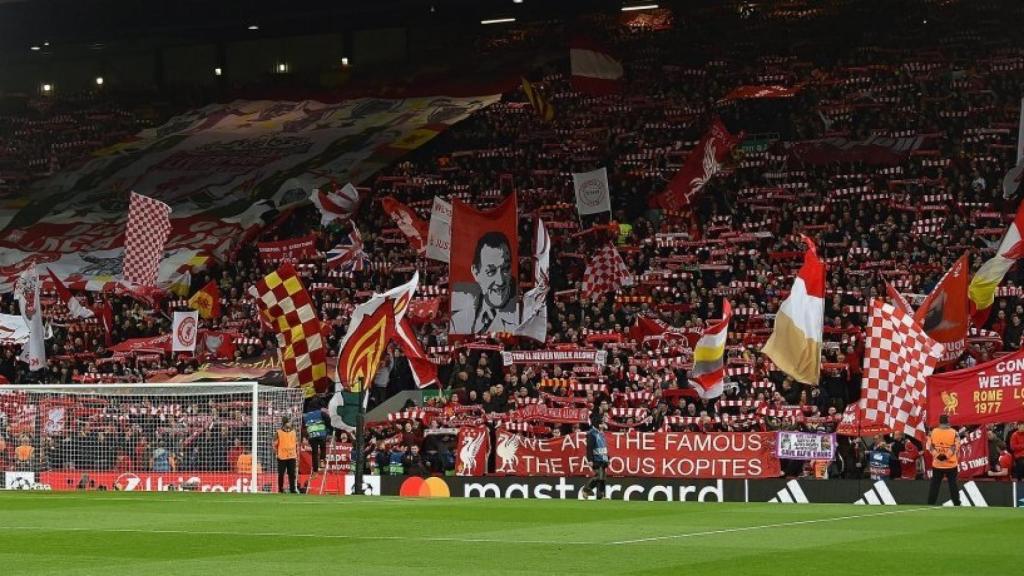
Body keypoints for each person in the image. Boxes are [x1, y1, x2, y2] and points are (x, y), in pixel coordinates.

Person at [449, 232, 518, 334]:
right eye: (491, 271)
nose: (500, 281)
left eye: (505, 268)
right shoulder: (457, 319)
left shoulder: (522, 316)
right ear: (476, 272)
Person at [927, 415, 961, 506]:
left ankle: (930, 503)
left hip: (937, 464)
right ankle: (956, 503)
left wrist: (937, 455)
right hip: (951, 464)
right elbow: (956, 446)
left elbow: (929, 446)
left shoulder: (933, 432)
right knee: (953, 484)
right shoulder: (954, 432)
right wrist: (946, 455)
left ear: (940, 422)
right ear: (948, 421)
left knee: (935, 485)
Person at [581, 413, 609, 500]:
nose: (603, 425)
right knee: (598, 476)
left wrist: (608, 457)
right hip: (596, 458)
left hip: (603, 458)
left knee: (603, 478)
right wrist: (590, 459)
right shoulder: (591, 434)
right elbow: (589, 448)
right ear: (597, 424)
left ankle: (601, 495)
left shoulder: (601, 433)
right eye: (601, 423)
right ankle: (586, 489)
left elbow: (603, 446)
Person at [274, 416, 299, 494]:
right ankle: (280, 489)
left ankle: (293, 489)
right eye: (289, 422)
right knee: (281, 473)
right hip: (282, 456)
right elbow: (274, 445)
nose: (290, 423)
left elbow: (296, 443)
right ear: (285, 423)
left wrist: (296, 453)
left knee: (292, 473)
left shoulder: (294, 432)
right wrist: (276, 454)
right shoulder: (278, 432)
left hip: (292, 456)